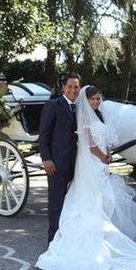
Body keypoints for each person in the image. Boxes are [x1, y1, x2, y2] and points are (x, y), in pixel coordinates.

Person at [35, 85, 136, 270]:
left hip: (98, 164)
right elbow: (91, 145)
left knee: (103, 199)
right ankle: (83, 238)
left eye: (98, 99)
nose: (96, 102)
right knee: (92, 201)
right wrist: (104, 157)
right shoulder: (84, 116)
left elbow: (101, 140)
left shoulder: (97, 115)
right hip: (92, 163)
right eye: (92, 99)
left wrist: (106, 155)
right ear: (86, 100)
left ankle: (105, 234)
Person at [39, 72, 81, 242]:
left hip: (77, 163)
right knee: (56, 201)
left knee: (74, 201)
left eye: (76, 86)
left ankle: (70, 235)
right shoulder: (53, 105)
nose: (73, 90)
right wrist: (46, 159)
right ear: (63, 87)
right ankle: (53, 238)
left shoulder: (81, 107)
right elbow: (44, 134)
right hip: (57, 163)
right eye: (70, 86)